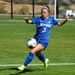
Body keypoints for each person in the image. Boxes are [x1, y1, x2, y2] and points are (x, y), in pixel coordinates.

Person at [18, 6, 70, 71]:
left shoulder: (51, 20)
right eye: (42, 12)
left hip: (44, 42)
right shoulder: (38, 19)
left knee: (32, 51)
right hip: (36, 40)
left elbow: (59, 24)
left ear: (48, 13)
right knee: (38, 54)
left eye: (45, 12)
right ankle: (45, 60)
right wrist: (26, 20)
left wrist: (66, 20)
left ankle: (23, 66)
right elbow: (29, 22)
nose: (43, 14)